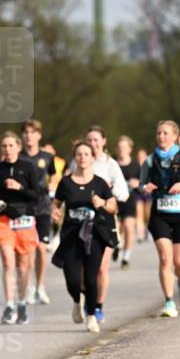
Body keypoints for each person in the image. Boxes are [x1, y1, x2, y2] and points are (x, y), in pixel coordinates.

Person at [53, 141, 118, 332]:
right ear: (75, 157)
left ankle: (91, 316)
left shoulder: (100, 183)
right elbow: (55, 203)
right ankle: (76, 300)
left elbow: (114, 207)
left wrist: (102, 203)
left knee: (91, 278)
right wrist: (54, 212)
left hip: (94, 236)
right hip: (71, 236)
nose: (82, 157)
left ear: (92, 158)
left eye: (86, 154)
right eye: (79, 154)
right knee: (72, 280)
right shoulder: (65, 182)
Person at [139, 120, 180, 317]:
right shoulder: (149, 161)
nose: (161, 137)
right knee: (166, 258)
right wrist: (145, 188)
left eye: (165, 133)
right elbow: (141, 185)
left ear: (175, 136)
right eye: (158, 133)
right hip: (159, 214)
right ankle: (168, 302)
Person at [75, 126, 129, 323]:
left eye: (96, 140)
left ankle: (97, 307)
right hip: (82, 220)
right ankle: (85, 296)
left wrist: (107, 194)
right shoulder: (79, 161)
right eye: (89, 140)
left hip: (105, 220)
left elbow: (124, 193)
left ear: (104, 141)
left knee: (101, 268)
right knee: (82, 267)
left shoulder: (110, 165)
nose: (93, 144)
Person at [0, 131, 42, 325]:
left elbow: (37, 195)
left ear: (18, 148)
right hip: (4, 219)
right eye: (4, 146)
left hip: (25, 220)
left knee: (23, 267)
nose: (7, 149)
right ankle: (9, 305)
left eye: (11, 145)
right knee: (7, 263)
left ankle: (22, 303)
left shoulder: (28, 167)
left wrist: (19, 187)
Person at [20, 119, 58, 305]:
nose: (29, 136)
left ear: (39, 135)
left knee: (42, 248)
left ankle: (40, 286)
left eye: (32, 132)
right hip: (24, 208)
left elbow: (54, 174)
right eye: (26, 132)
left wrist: (52, 184)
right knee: (27, 250)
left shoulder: (47, 157)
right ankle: (28, 287)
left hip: (43, 206)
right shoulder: (18, 157)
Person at [115, 135, 140, 269]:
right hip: (114, 202)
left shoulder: (135, 165)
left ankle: (126, 257)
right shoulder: (112, 163)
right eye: (119, 147)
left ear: (130, 149)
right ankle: (117, 246)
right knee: (117, 229)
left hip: (130, 201)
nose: (121, 150)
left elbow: (143, 184)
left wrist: (138, 184)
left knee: (129, 228)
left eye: (124, 147)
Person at [135, 148, 151, 242]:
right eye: (139, 157)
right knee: (139, 213)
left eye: (142, 157)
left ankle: (147, 231)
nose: (140, 158)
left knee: (147, 215)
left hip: (148, 194)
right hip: (138, 194)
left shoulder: (149, 166)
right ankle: (140, 234)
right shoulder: (136, 168)